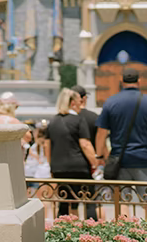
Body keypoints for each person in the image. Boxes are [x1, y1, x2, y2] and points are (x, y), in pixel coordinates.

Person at [95, 70, 147, 218]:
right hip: (145, 159)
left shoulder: (111, 102)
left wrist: (99, 155)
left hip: (120, 161)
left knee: (122, 202)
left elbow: (101, 133)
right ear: (139, 81)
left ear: (121, 81)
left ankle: (124, 237)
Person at [48, 87, 97, 219]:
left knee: (64, 202)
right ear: (73, 103)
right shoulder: (78, 120)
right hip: (79, 167)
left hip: (59, 168)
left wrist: (51, 165)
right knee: (89, 201)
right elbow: (85, 144)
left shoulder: (52, 121)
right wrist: (94, 162)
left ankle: (62, 232)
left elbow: (48, 146)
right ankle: (93, 232)